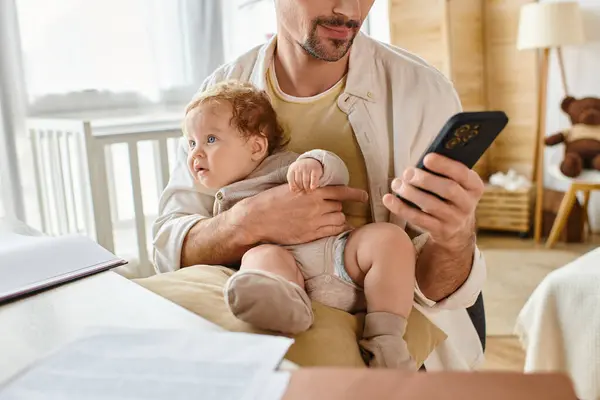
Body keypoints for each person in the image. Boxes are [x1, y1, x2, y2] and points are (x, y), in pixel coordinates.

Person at [153, 0, 486, 371]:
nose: (350, 9)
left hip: (379, 326)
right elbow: (171, 247)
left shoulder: (425, 92)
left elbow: (437, 287)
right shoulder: (219, 95)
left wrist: (455, 238)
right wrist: (249, 222)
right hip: (267, 315)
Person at [184, 80, 418, 369]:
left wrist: (315, 165)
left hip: (339, 256)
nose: (195, 154)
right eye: (191, 143)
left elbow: (335, 169)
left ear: (257, 146)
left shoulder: (281, 166)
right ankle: (282, 307)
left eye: (210, 140)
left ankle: (386, 338)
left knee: (389, 238)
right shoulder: (224, 201)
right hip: (290, 274)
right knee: (259, 257)